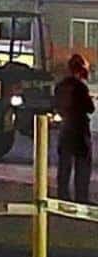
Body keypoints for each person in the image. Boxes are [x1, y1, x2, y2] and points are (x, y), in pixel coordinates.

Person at [54, 53, 94, 204]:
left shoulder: (60, 86)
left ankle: (62, 195)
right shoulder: (80, 87)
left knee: (64, 165)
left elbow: (56, 105)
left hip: (65, 128)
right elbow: (90, 108)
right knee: (83, 164)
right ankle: (81, 197)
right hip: (79, 129)